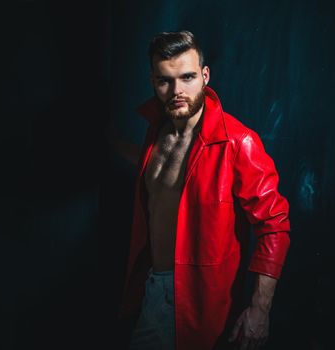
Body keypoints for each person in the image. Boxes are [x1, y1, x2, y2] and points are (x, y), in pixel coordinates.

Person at [117, 30, 291, 350]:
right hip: (152, 286)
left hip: (200, 301)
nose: (177, 91)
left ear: (205, 76)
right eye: (164, 81)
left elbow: (275, 227)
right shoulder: (156, 132)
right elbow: (159, 178)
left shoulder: (239, 143)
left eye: (187, 77)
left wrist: (260, 309)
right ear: (153, 81)